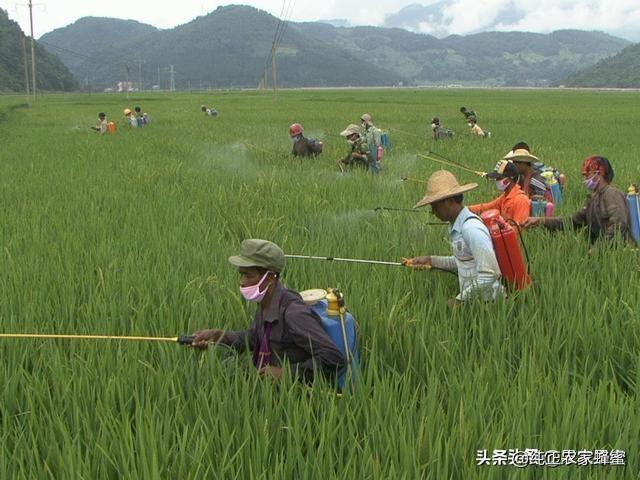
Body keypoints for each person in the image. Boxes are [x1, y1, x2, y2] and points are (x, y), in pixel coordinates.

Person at [191, 239, 345, 382]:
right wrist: (220, 336)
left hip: (294, 394)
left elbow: (333, 357)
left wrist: (287, 373)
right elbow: (255, 337)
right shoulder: (267, 302)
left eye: (248, 276)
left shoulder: (294, 313)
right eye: (241, 275)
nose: (242, 282)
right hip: (265, 384)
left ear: (270, 277)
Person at [404, 170, 503, 306]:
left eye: (435, 206)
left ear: (449, 202)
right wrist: (431, 261)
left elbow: (490, 273)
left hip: (489, 304)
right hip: (475, 303)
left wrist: (459, 300)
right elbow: (464, 262)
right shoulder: (458, 228)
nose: (433, 212)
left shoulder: (471, 229)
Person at [523, 156, 631, 245]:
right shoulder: (595, 198)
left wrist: (599, 248)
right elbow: (571, 222)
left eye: (588, 175)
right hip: (600, 253)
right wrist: (541, 221)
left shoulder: (612, 194)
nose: (585, 180)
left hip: (613, 254)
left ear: (600, 173)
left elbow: (619, 224)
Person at [469, 160, 531, 226]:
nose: (496, 181)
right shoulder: (505, 197)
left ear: (510, 178)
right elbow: (487, 207)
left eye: (499, 178)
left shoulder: (521, 200)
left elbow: (520, 229)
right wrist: (466, 209)